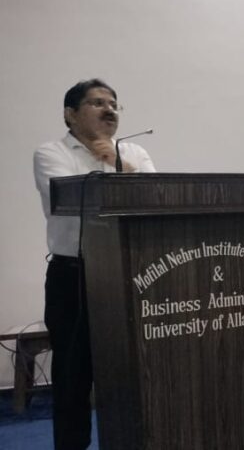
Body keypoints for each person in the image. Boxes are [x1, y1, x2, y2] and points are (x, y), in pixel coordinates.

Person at [33, 79, 156, 450]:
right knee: (73, 375)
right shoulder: (51, 152)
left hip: (130, 274)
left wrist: (117, 161)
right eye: (97, 103)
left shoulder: (134, 150)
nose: (109, 110)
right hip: (73, 277)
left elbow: (154, 198)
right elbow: (77, 197)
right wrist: (109, 161)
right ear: (71, 114)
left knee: (133, 369)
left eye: (114, 103)